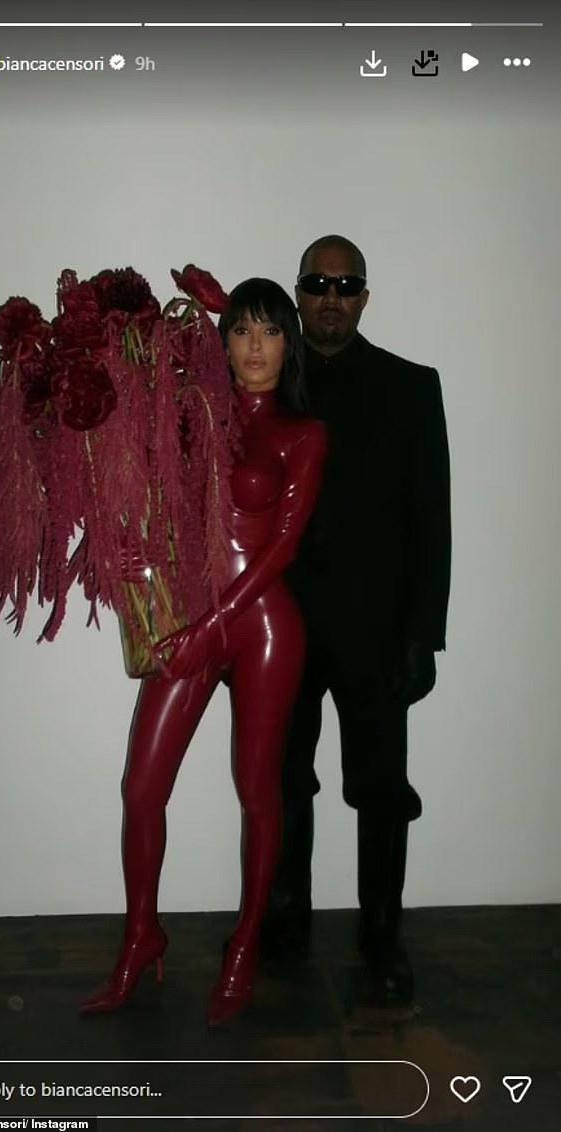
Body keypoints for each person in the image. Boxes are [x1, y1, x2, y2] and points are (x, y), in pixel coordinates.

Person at [80, 278, 326, 1026]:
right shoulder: (193, 413)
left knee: (257, 790)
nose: (255, 346)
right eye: (241, 330)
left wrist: (209, 624)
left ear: (289, 345)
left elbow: (282, 549)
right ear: (223, 342)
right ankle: (140, 936)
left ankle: (244, 943)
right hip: (193, 616)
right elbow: (159, 506)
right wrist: (134, 551)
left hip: (262, 625)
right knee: (141, 788)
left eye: (270, 331)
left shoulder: (301, 433)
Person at [260, 235, 451, 1005]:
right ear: (298, 294)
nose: (331, 297)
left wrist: (423, 636)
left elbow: (431, 520)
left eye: (346, 285)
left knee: (381, 789)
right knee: (281, 781)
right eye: (317, 282)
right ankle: (284, 924)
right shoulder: (264, 388)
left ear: (364, 296)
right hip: (283, 629)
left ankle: (381, 935)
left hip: (376, 634)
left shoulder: (411, 387)